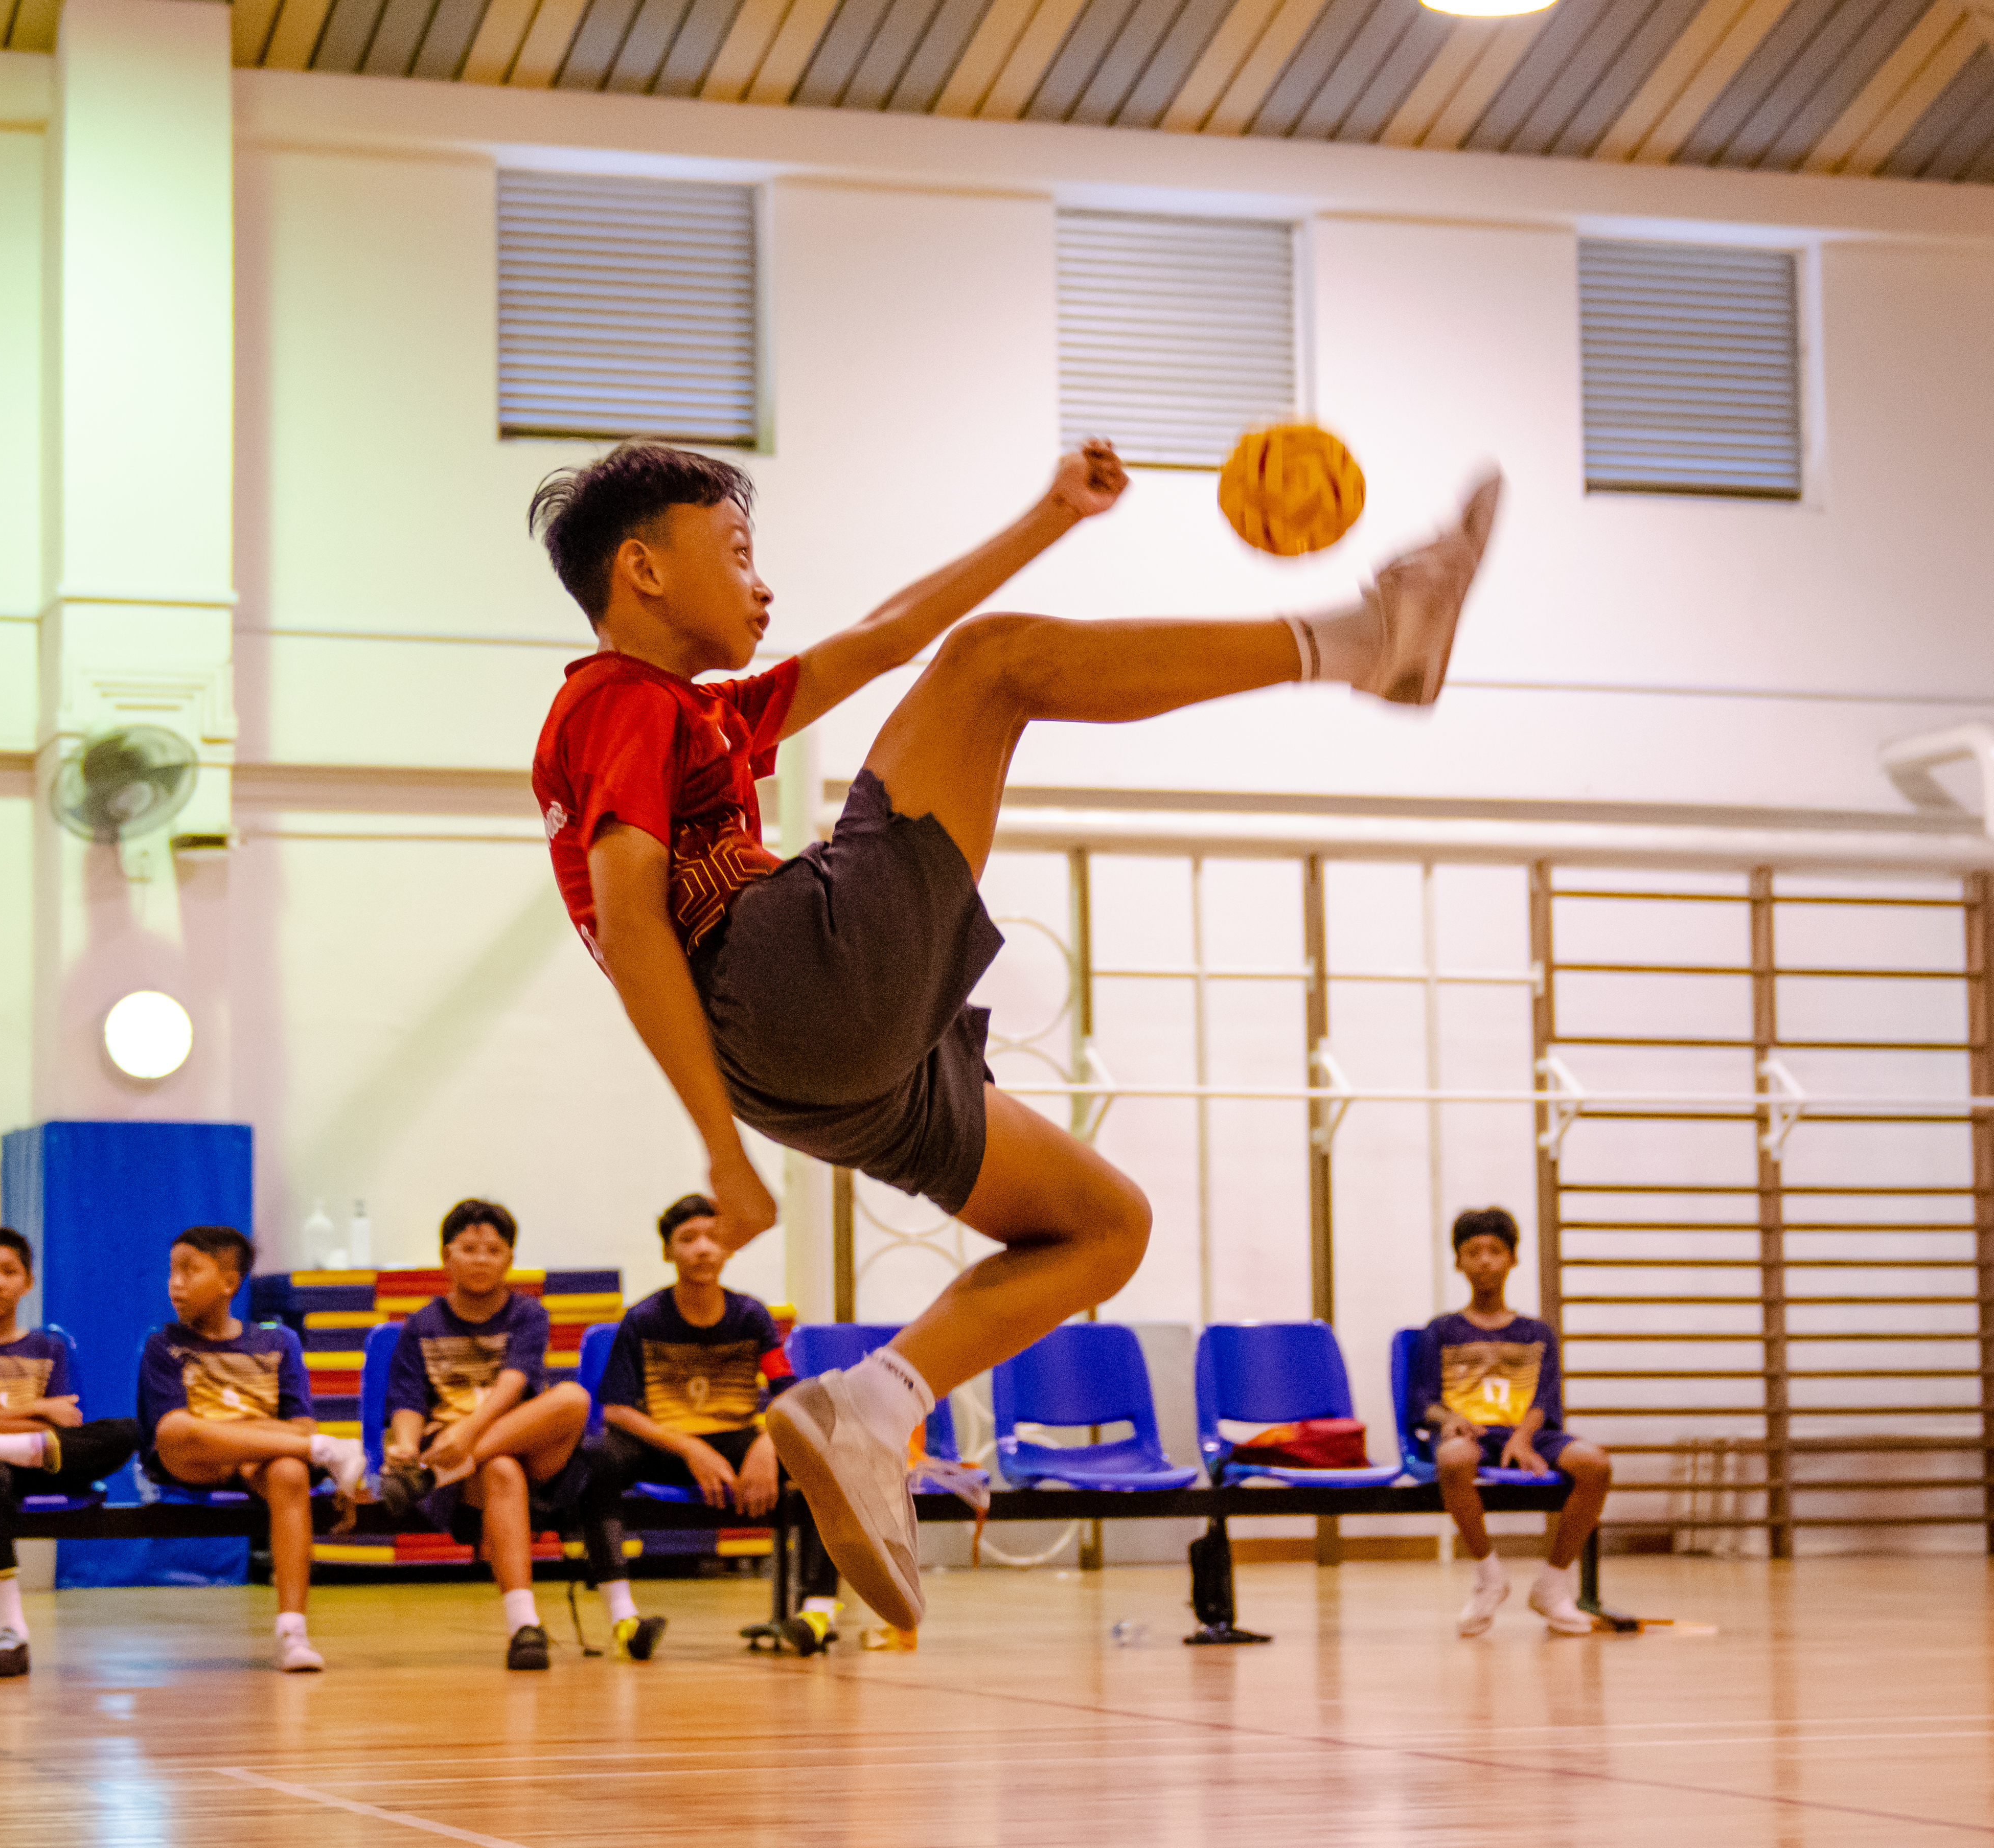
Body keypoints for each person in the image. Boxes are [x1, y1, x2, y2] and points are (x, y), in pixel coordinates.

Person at [529, 436, 1499, 1629]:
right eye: (736, 554)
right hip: (782, 990)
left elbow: (883, 639)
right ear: (643, 572)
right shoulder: (614, 702)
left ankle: (874, 1407)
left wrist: (1051, 514)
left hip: (816, 1070)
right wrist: (718, 1158)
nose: (762, 585)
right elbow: (631, 925)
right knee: (992, 664)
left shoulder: (703, 714)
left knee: (1101, 1224)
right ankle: (1362, 639)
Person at [581, 1194, 844, 1658]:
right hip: (669, 1446)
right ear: (668, 1252)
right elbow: (618, 1411)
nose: (703, 1248)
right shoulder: (642, 1319)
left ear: (728, 1249)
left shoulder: (752, 1316)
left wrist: (767, 1441)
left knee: (825, 1458)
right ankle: (624, 1619)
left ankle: (816, 1613)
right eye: (688, 1239)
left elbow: (788, 1392)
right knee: (597, 1462)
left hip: (738, 1442)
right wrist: (689, 1448)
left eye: (714, 1238)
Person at [135, 1225, 370, 1673]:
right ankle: (332, 1452)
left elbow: (299, 1425)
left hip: (258, 1464)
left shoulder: (278, 1342)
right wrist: (264, 1433)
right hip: (192, 1462)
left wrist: (258, 1443)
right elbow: (174, 1430)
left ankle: (292, 1632)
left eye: (190, 1270)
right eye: (172, 1271)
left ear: (229, 1282)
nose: (176, 1283)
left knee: (290, 1472)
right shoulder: (164, 1344)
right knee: (178, 1431)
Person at [379, 1198, 593, 1672]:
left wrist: (464, 1438)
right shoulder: (422, 1325)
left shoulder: (528, 1315)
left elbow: (515, 1382)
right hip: (469, 1467)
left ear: (509, 1260)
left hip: (520, 1442)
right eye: (469, 1248)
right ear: (446, 1257)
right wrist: (408, 1448)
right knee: (500, 1468)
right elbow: (407, 1403)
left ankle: (431, 1476)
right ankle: (524, 1625)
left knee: (573, 1398)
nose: (481, 1258)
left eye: (493, 1250)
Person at [0, 1226, 141, 1679]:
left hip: (48, 1465)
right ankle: (9, 1633)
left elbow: (66, 1426)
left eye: (8, 1271)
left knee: (126, 1430)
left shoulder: (50, 1347)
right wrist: (37, 1410)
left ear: (28, 1282)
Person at [1412, 1206, 1613, 1637]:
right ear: (1458, 1261)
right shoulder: (1440, 1330)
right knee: (1451, 1459)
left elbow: (1544, 1399)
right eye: (1473, 1252)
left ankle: (1553, 1586)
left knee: (1595, 1464)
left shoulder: (1537, 1333)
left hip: (1532, 1435)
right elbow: (1423, 1400)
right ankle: (1488, 1577)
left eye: (1495, 1251)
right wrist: (1450, 1417)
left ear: (1512, 1259)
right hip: (1475, 1436)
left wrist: (1523, 1437)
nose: (1484, 1260)